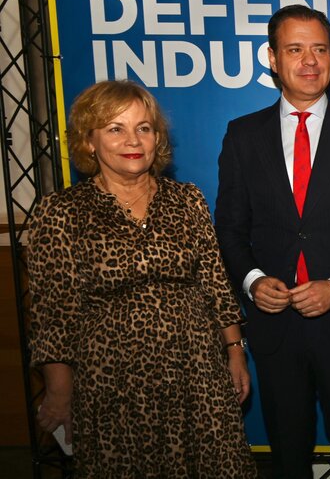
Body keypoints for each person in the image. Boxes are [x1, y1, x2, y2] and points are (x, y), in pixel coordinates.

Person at [28, 80, 256, 478]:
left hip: (197, 372)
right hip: (113, 382)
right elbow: (54, 315)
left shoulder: (187, 199)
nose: (132, 140)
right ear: (89, 141)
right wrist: (59, 392)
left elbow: (215, 284)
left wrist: (235, 352)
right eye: (115, 129)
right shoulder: (62, 211)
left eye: (144, 128)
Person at [214, 4, 330, 479]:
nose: (310, 61)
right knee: (288, 457)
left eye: (320, 49)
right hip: (275, 331)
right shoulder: (242, 136)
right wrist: (254, 280)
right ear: (272, 59)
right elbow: (230, 229)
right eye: (295, 49)